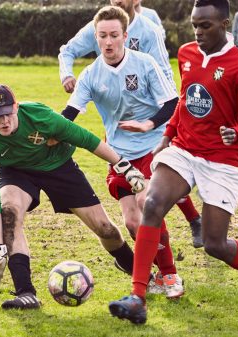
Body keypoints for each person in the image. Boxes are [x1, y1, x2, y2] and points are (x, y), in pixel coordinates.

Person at [108, 0, 238, 324]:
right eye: (195, 25)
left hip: (221, 160)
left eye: (206, 26)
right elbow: (184, 101)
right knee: (152, 203)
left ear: (225, 24)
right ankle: (138, 297)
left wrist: (236, 133)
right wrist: (166, 138)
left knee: (215, 244)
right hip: (184, 149)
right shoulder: (188, 54)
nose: (198, 32)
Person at [0, 84, 146, 309]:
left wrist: (122, 165)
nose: (3, 121)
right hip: (16, 172)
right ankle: (26, 293)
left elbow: (85, 138)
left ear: (16, 107)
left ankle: (134, 271)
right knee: (9, 213)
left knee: (105, 229)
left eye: (7, 113)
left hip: (59, 166)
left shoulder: (39, 116)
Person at [62, 5, 184, 297]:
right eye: (102, 36)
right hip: (118, 155)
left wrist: (148, 124)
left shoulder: (144, 64)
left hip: (153, 147)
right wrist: (46, 133)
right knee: (131, 221)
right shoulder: (91, 74)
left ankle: (170, 276)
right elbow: (70, 113)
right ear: (96, 37)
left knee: (146, 202)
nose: (108, 42)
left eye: (114, 35)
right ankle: (152, 274)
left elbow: (172, 103)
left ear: (125, 36)